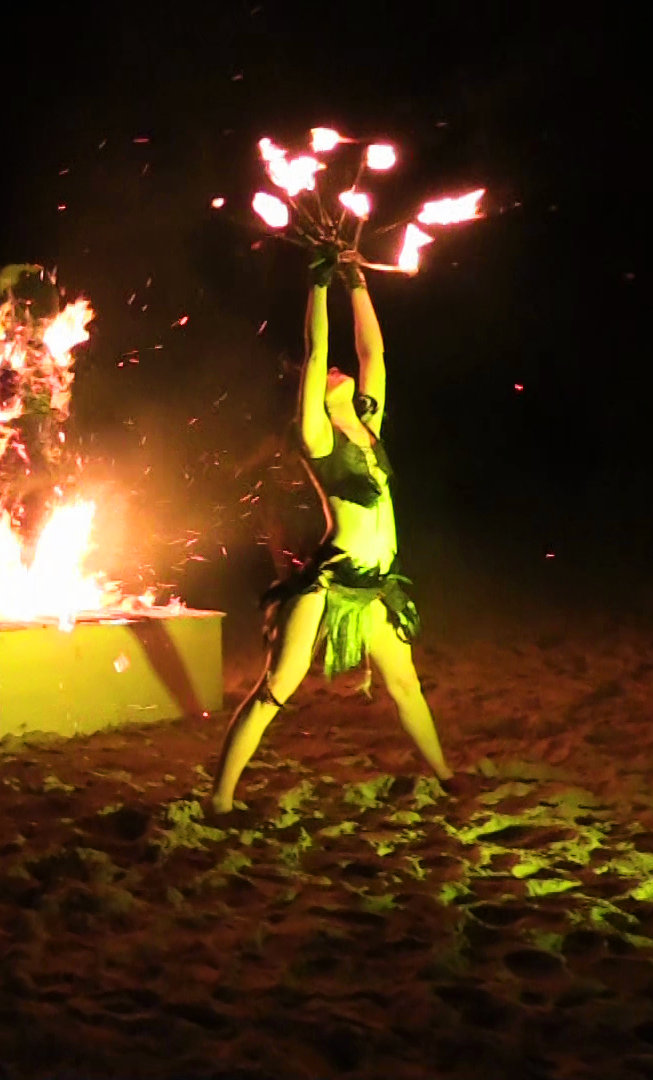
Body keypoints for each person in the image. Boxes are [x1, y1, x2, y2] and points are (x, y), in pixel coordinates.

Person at [211, 246, 453, 814]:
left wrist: (355, 280)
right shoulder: (318, 439)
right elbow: (316, 349)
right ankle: (219, 798)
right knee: (275, 690)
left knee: (406, 685)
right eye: (328, 377)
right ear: (316, 397)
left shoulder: (368, 424)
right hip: (330, 582)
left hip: (377, 585)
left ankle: (446, 776)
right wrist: (317, 286)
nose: (338, 370)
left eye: (342, 373)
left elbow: (374, 352)